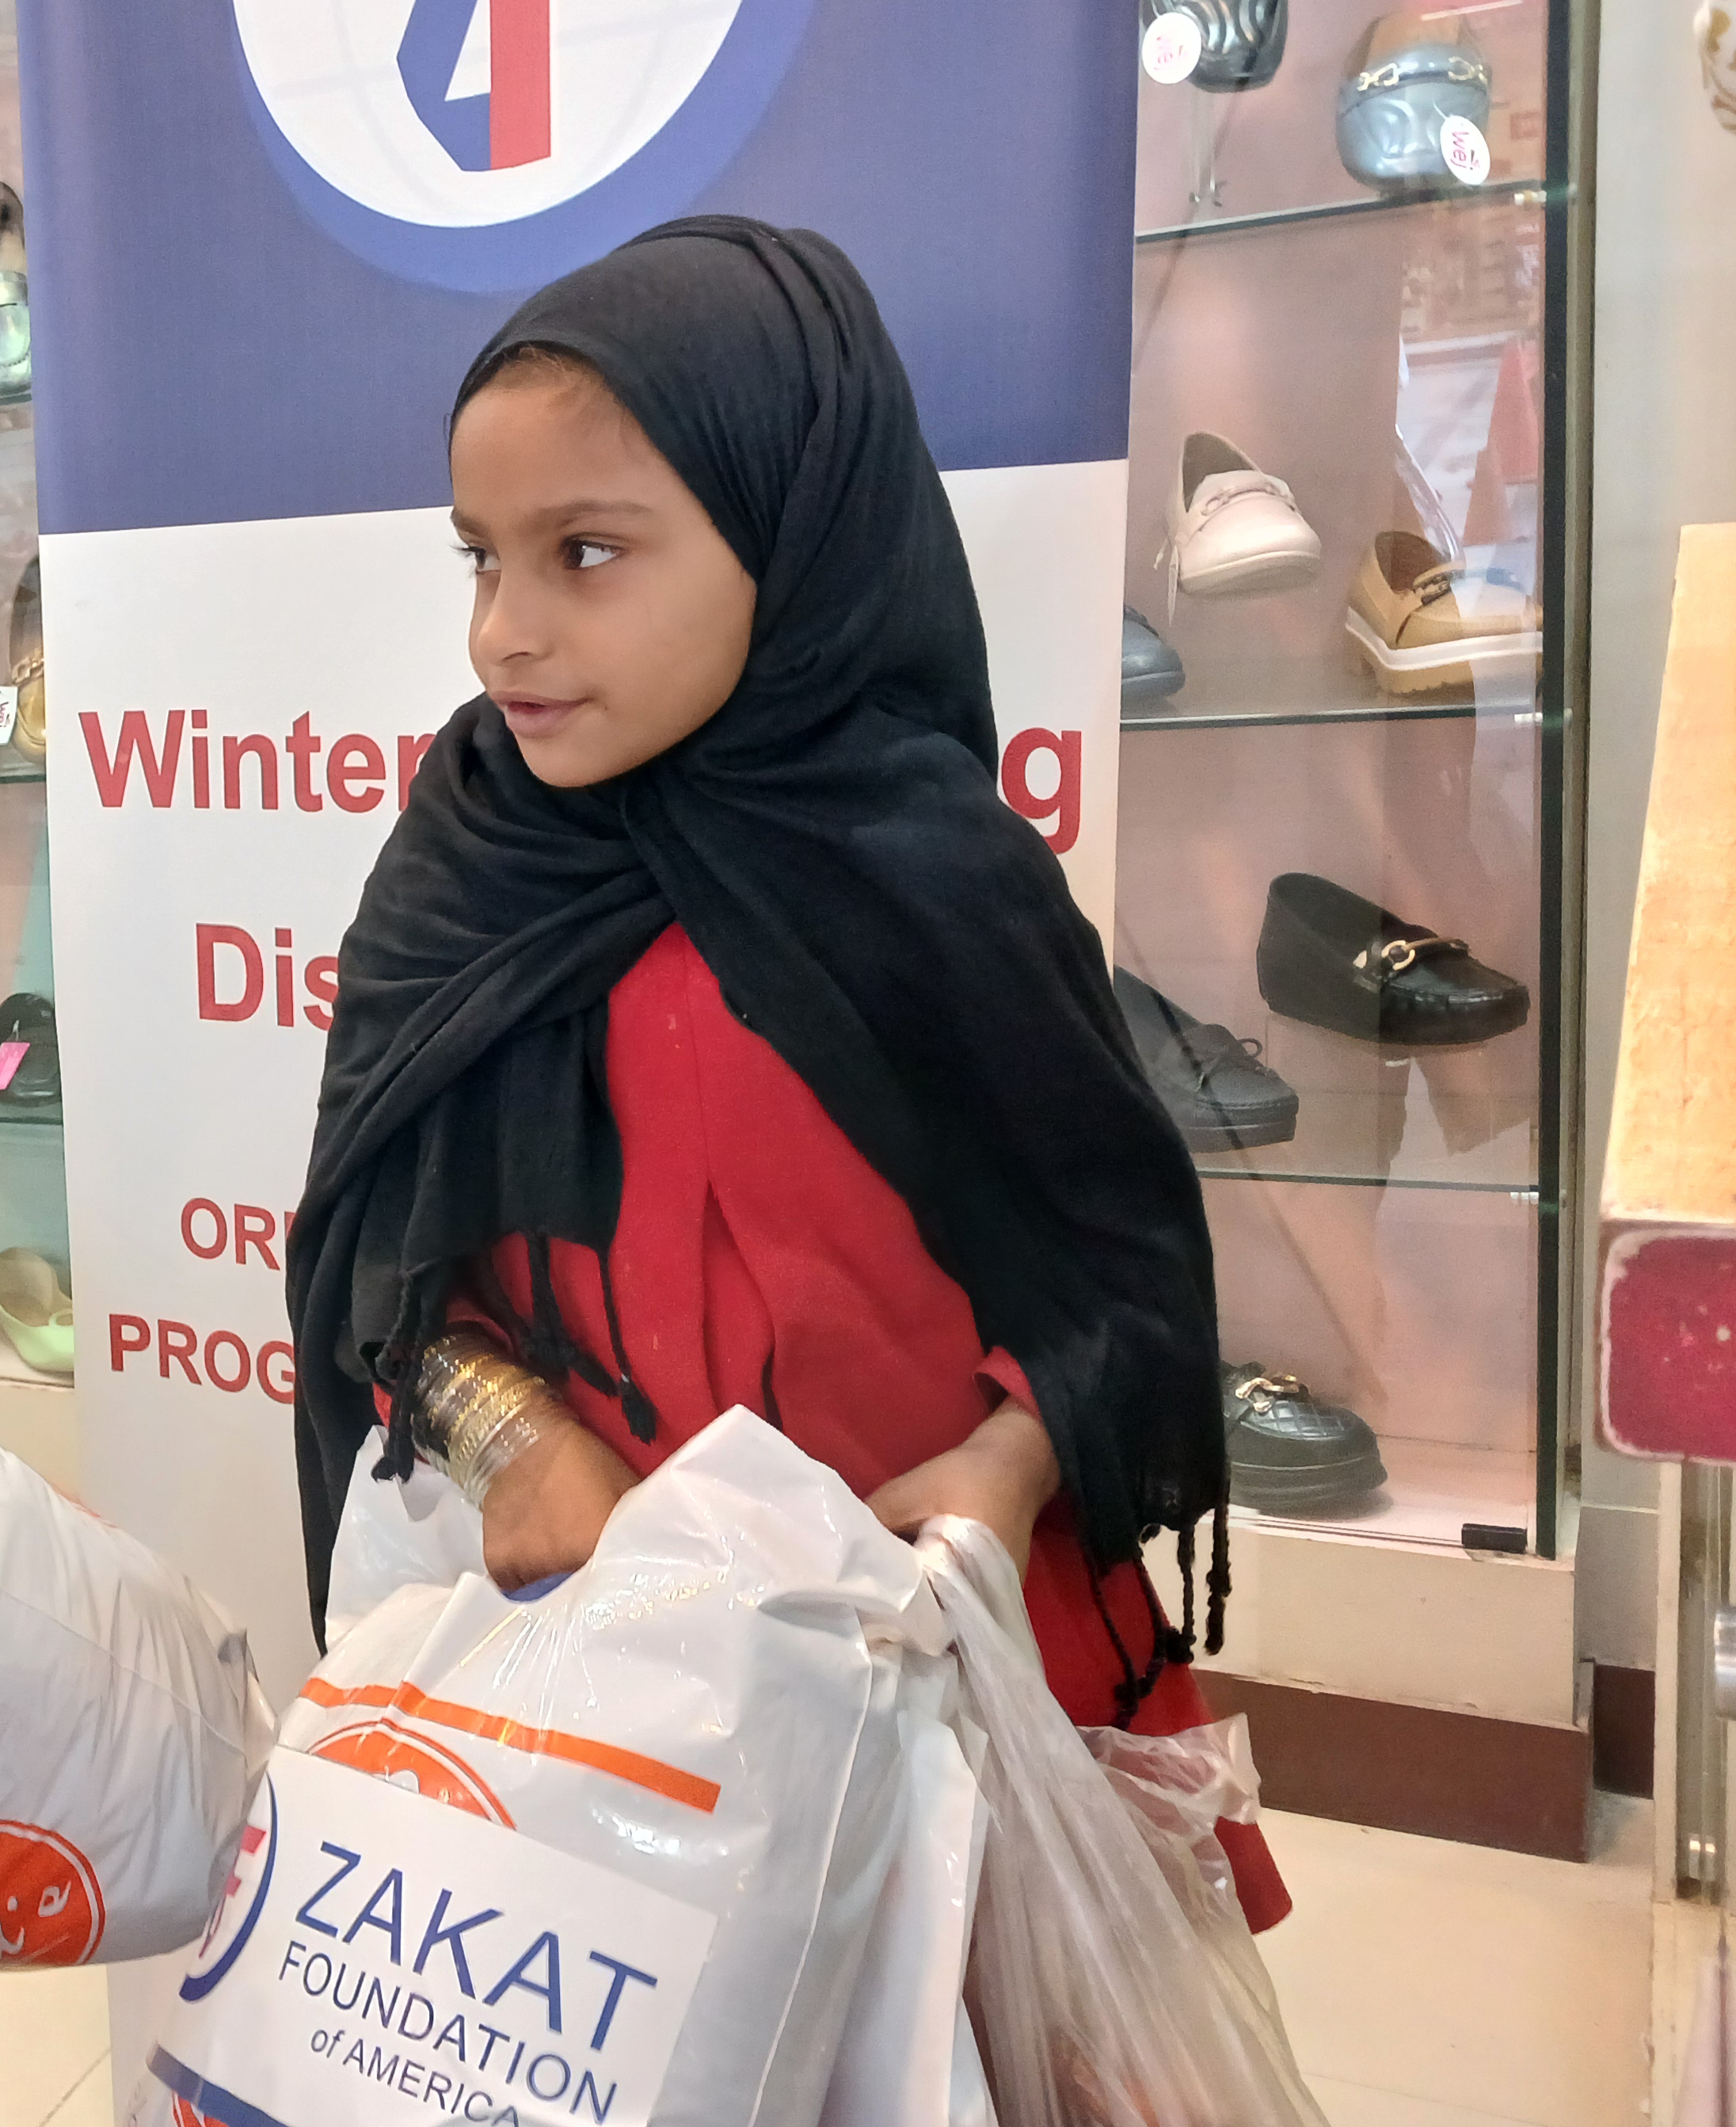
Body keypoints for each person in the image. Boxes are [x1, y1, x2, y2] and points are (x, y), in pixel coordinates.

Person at [287, 216, 1284, 1929]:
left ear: (792, 531)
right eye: (480, 560)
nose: (502, 638)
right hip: (595, 1684)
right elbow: (381, 1265)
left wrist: (1008, 1473)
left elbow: (1109, 1260)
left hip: (952, 1677)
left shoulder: (934, 876)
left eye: (587, 553)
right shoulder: (468, 860)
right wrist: (508, 1435)